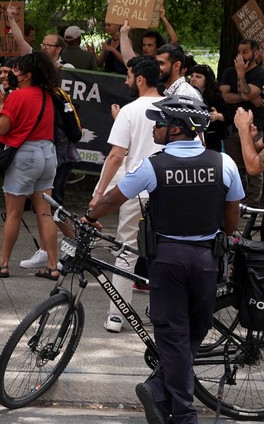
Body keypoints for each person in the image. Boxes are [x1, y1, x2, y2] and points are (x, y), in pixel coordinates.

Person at [85, 95, 241, 424]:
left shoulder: (153, 165)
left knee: (173, 336)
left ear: (177, 129)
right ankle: (159, 389)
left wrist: (91, 214)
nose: (154, 127)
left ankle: (179, 412)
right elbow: (232, 215)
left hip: (168, 260)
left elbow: (112, 199)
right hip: (206, 260)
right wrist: (221, 237)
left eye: (160, 122)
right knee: (194, 331)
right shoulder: (224, 164)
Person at [89, 55, 164, 332]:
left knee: (126, 251)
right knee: (164, 253)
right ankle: (163, 313)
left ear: (140, 79)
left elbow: (116, 156)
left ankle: (117, 315)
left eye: (129, 76)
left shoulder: (130, 112)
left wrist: (99, 194)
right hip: (168, 192)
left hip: (136, 191)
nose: (126, 80)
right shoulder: (173, 108)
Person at [0, 51, 59, 280]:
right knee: (45, 212)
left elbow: (2, 128)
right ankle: (52, 265)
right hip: (48, 153)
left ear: (27, 75)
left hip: (25, 154)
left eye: (18, 70)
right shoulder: (47, 95)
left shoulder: (17, 96)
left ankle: (3, 264)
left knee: (13, 213)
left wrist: (2, 106)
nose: (14, 73)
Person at [220, 39, 264, 208]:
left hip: (255, 128)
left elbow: (246, 93)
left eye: (245, 51)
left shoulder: (259, 74)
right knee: (236, 169)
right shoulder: (228, 72)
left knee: (255, 168)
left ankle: (253, 205)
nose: (241, 56)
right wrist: (248, 97)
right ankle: (238, 203)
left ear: (256, 53)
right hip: (232, 128)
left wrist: (241, 75)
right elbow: (226, 96)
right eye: (239, 51)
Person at [189, 64, 226, 151]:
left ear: (207, 80)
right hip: (191, 137)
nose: (193, 79)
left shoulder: (215, 96)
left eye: (198, 77)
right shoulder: (185, 94)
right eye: (191, 76)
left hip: (211, 139)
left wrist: (217, 116)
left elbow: (228, 116)